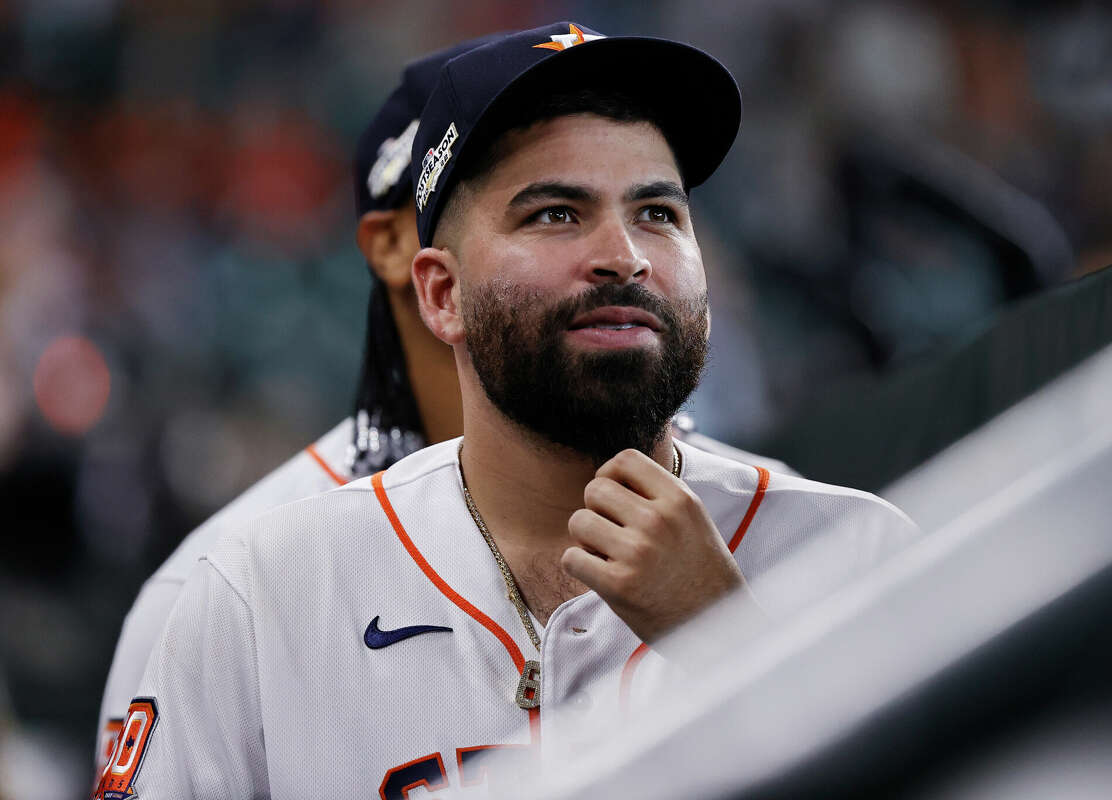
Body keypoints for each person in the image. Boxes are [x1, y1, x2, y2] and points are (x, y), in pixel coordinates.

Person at [94, 23, 918, 798]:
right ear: (440, 294)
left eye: (658, 213)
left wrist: (732, 644)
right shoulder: (261, 589)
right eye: (556, 213)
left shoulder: (855, 555)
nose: (623, 257)